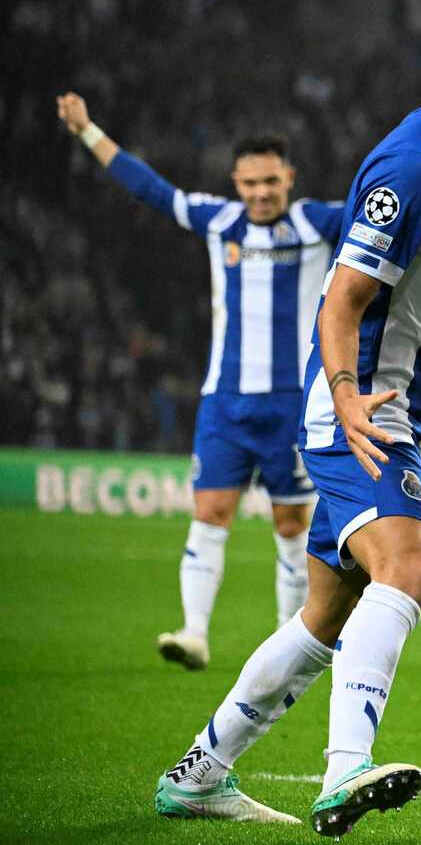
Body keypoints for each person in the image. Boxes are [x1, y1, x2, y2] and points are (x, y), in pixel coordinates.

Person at [151, 0, 421, 835]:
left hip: (391, 417)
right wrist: (344, 402)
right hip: (363, 418)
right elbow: (341, 305)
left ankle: (200, 772)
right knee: (411, 569)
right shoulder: (413, 167)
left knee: (325, 611)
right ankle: (345, 772)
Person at [56, 96, 342, 669]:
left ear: (289, 178)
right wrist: (88, 131)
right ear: (235, 183)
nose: (261, 194)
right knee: (210, 510)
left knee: (292, 522)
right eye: (250, 183)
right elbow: (150, 189)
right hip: (226, 402)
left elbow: (383, 208)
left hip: (295, 404)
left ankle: (290, 641)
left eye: (271, 182)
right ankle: (194, 633)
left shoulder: (317, 223)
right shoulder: (220, 222)